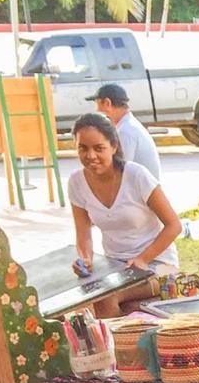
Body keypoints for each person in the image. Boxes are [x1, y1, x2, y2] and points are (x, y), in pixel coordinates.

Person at [67, 112, 180, 279]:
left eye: (99, 148)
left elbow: (174, 226)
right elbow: (83, 233)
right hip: (116, 266)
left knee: (107, 298)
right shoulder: (76, 182)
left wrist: (142, 259)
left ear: (114, 146)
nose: (90, 156)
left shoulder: (137, 175)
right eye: (83, 148)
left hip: (159, 263)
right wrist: (86, 259)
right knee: (90, 295)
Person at [88, 83, 160, 178]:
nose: (97, 110)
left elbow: (119, 171)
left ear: (107, 103)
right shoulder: (128, 125)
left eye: (97, 105)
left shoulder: (125, 131)